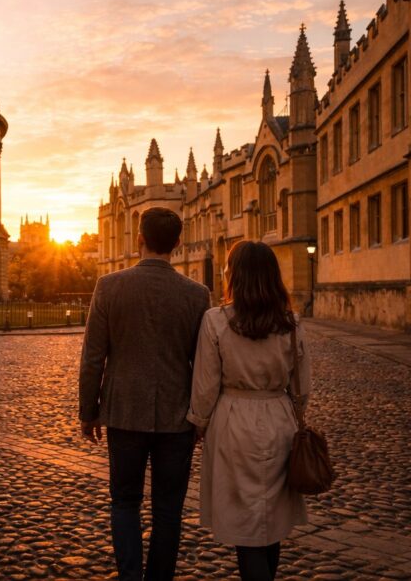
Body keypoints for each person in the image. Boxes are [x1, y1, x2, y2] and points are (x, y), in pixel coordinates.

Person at [79, 207, 211, 581]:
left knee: (124, 501)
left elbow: (93, 357)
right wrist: (201, 416)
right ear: (178, 243)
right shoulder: (197, 294)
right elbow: (203, 365)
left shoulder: (109, 285)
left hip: (123, 412)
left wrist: (88, 411)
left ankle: (130, 576)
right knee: (168, 510)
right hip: (177, 416)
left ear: (139, 240)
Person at [187, 241, 310, 581]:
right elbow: (302, 388)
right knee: (270, 519)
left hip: (233, 420)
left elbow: (205, 385)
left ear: (234, 276)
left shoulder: (216, 321)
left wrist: (199, 423)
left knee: (247, 523)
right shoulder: (291, 323)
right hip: (279, 417)